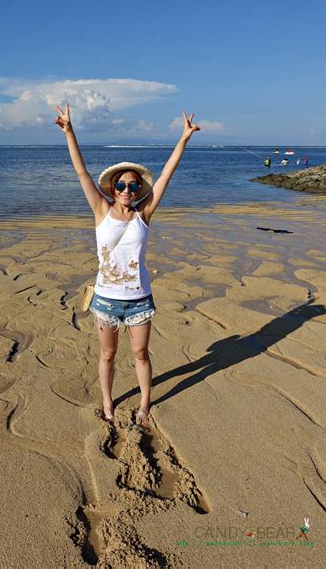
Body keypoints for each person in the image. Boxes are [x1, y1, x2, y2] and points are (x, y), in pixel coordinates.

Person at [54, 101, 200, 425]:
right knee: (107, 355)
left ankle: (145, 404)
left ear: (138, 191)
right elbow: (81, 171)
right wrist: (69, 131)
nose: (127, 190)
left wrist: (184, 139)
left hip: (139, 301)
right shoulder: (100, 210)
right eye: (121, 185)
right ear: (112, 187)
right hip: (105, 300)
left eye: (133, 186)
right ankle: (107, 403)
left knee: (140, 355)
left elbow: (165, 175)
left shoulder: (143, 214)